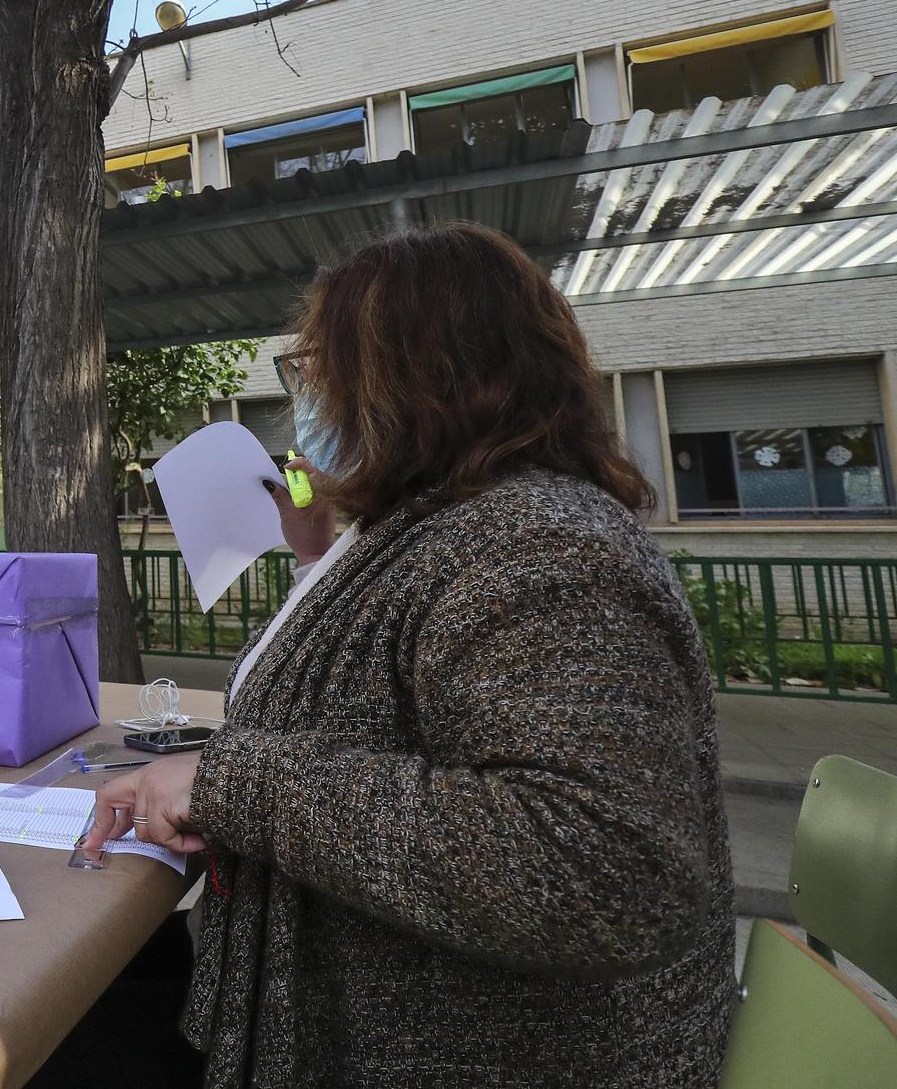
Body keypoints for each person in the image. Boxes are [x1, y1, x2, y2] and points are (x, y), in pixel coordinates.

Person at [85, 223, 735, 1087]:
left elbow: (600, 869)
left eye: (317, 369)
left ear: (412, 378)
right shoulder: (438, 527)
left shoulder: (541, 546)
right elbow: (372, 705)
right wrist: (323, 555)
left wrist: (230, 784)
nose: (303, 398)